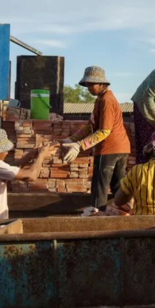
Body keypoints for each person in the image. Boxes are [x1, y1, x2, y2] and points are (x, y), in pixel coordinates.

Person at [0, 128, 56, 304]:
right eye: (5, 149)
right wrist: (41, 157)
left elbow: (11, 169)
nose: (7, 152)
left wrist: (31, 155)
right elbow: (31, 176)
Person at [60, 66, 131, 210]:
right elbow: (89, 126)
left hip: (109, 149)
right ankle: (123, 214)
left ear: (101, 84)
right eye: (87, 85)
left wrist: (80, 145)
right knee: (118, 186)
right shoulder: (100, 99)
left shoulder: (107, 101)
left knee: (100, 187)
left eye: (91, 84)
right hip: (121, 147)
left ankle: (97, 217)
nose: (89, 88)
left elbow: (104, 131)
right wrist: (71, 140)